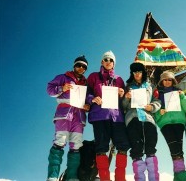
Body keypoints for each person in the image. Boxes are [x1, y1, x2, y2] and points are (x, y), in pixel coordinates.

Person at [87, 50, 130, 181]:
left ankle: (120, 178)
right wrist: (93, 99)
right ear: (102, 61)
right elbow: (86, 93)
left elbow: (124, 101)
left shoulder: (119, 79)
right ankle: (105, 178)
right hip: (100, 116)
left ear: (114, 63)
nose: (108, 62)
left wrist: (123, 94)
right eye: (106, 59)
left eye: (111, 60)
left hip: (117, 117)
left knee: (123, 145)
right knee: (101, 147)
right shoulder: (93, 76)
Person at [46, 55, 90, 181]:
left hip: (79, 116)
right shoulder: (63, 77)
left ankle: (72, 177)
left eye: (84, 67)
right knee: (60, 142)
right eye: (78, 65)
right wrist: (62, 88)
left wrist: (88, 105)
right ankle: (53, 176)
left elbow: (88, 98)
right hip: (64, 114)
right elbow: (49, 89)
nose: (81, 68)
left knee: (76, 145)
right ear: (74, 65)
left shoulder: (85, 83)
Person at [122, 62, 161, 181]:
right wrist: (126, 98)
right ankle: (140, 178)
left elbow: (157, 101)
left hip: (148, 119)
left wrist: (152, 107)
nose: (137, 74)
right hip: (133, 119)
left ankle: (154, 178)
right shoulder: (127, 86)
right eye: (134, 72)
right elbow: (123, 106)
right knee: (136, 149)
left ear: (143, 72)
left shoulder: (151, 86)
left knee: (151, 147)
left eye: (139, 71)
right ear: (132, 73)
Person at [154, 71, 186, 181]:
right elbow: (154, 110)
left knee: (177, 148)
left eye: (169, 80)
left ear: (173, 81)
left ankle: (178, 176)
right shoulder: (157, 94)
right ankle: (182, 175)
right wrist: (159, 113)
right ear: (161, 81)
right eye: (165, 80)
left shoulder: (178, 92)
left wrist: (183, 97)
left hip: (179, 121)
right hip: (165, 123)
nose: (167, 82)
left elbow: (185, 108)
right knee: (174, 147)